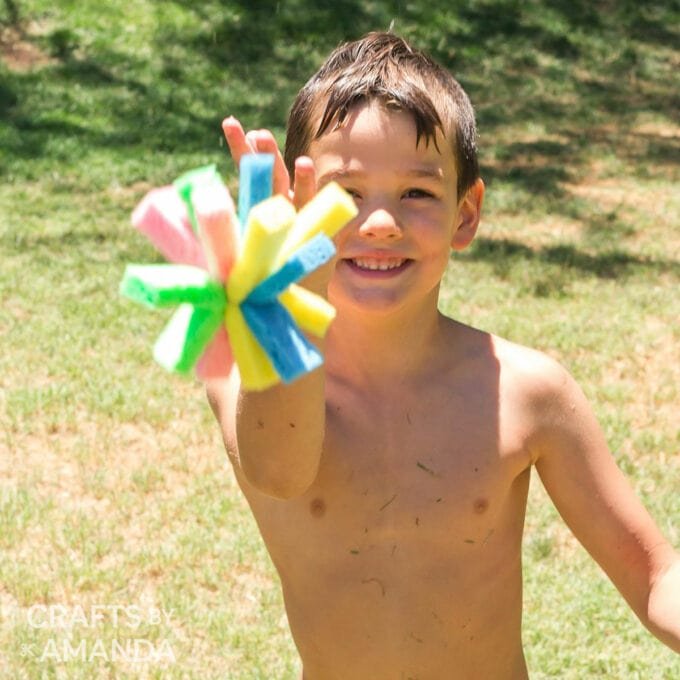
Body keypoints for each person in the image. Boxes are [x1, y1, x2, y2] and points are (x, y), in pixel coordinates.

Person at [206, 31, 679, 679]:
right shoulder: (247, 368)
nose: (379, 223)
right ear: (292, 209)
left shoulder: (527, 391)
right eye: (344, 195)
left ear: (466, 213)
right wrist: (285, 307)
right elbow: (280, 471)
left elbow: (654, 575)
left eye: (418, 193)